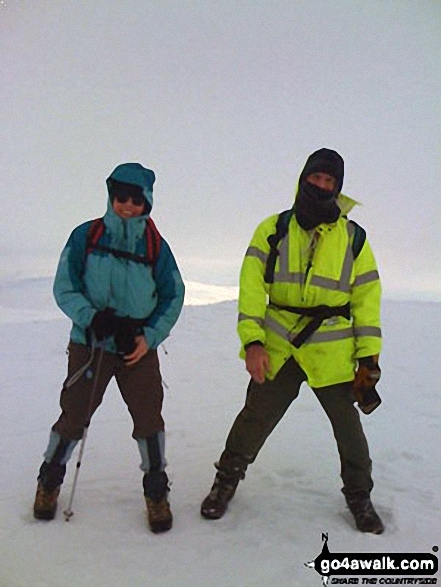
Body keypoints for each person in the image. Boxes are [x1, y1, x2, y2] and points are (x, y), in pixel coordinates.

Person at [200, 148, 384, 534]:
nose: (321, 186)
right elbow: (251, 289)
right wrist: (252, 342)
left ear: (338, 187)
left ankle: (359, 497)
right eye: (316, 178)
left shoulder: (354, 239)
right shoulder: (273, 229)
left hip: (331, 352)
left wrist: (368, 357)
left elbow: (367, 300)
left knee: (348, 428)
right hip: (278, 346)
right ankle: (226, 480)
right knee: (254, 417)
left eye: (330, 181)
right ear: (303, 179)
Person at [33, 162, 185, 533]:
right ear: (111, 195)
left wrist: (149, 337)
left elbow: (174, 295)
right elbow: (64, 287)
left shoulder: (156, 247)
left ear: (147, 202)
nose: (127, 206)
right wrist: (91, 317)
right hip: (91, 343)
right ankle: (49, 481)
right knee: (74, 415)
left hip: (136, 347)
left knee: (149, 419)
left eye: (136, 199)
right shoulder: (86, 236)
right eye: (121, 197)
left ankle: (155, 490)